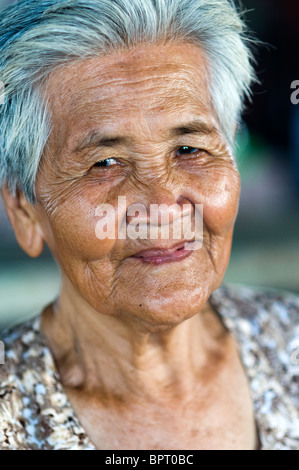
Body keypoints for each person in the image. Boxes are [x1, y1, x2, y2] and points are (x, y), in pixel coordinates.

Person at [0, 0, 298, 450]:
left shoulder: (291, 342)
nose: (161, 205)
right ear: (24, 208)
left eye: (189, 149)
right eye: (106, 162)